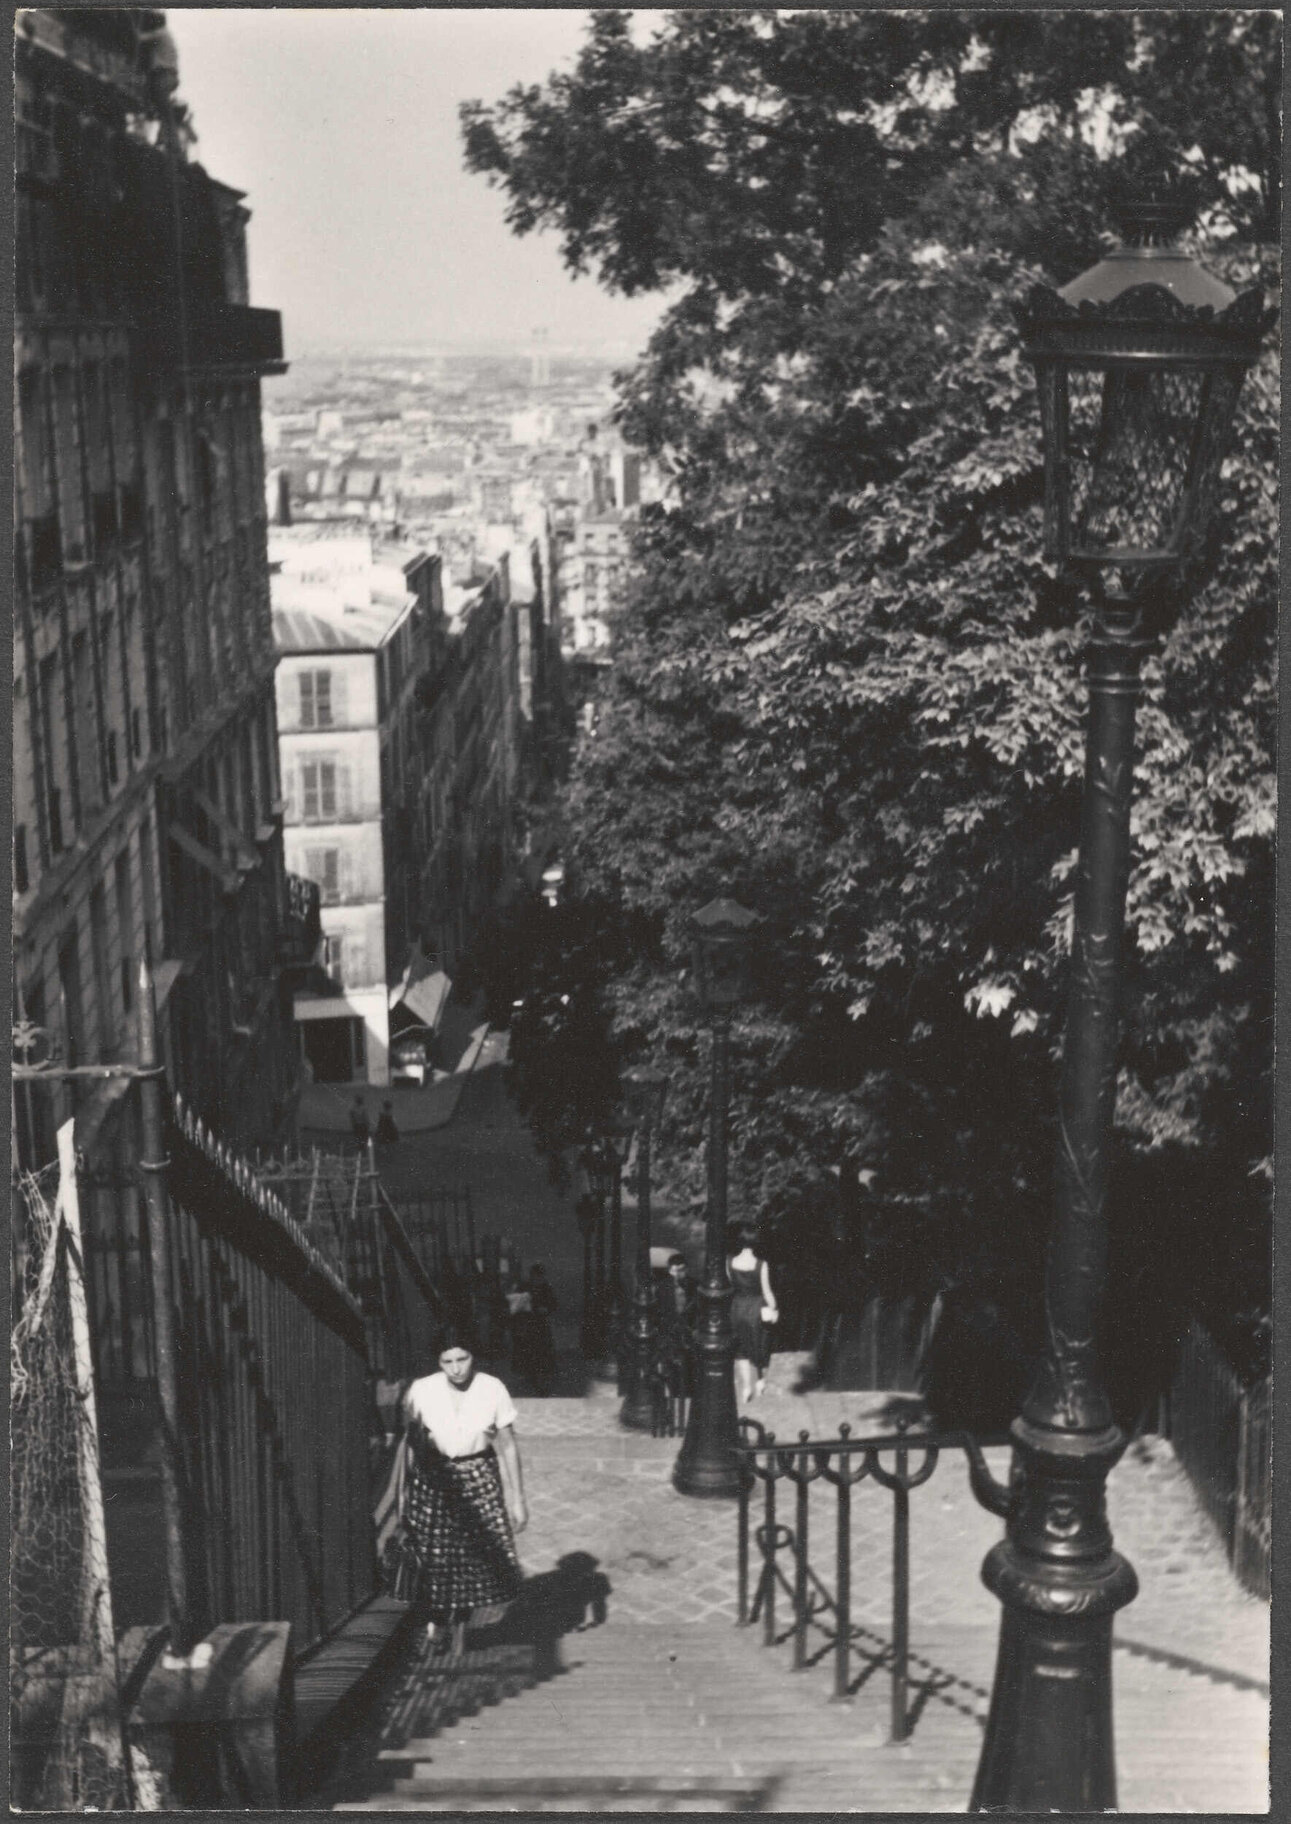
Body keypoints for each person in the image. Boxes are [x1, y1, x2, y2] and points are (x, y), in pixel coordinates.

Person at [387, 1326, 527, 1656]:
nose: (455, 1368)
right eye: (446, 1361)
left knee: (472, 1556)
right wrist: (403, 1493)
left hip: (478, 1475)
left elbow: (507, 1445)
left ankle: (462, 1623)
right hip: (433, 1478)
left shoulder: (493, 1389)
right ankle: (437, 1624)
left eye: (462, 1359)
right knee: (435, 1555)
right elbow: (410, 1444)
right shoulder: (421, 1390)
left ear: (473, 1356)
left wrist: (517, 1498)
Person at [727, 1223, 778, 1402]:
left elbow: (730, 1287)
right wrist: (774, 1308)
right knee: (759, 1346)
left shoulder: (730, 1262)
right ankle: (760, 1381)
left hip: (737, 1307)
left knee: (741, 1349)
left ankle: (746, 1387)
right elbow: (767, 1291)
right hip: (756, 1308)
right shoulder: (761, 1264)